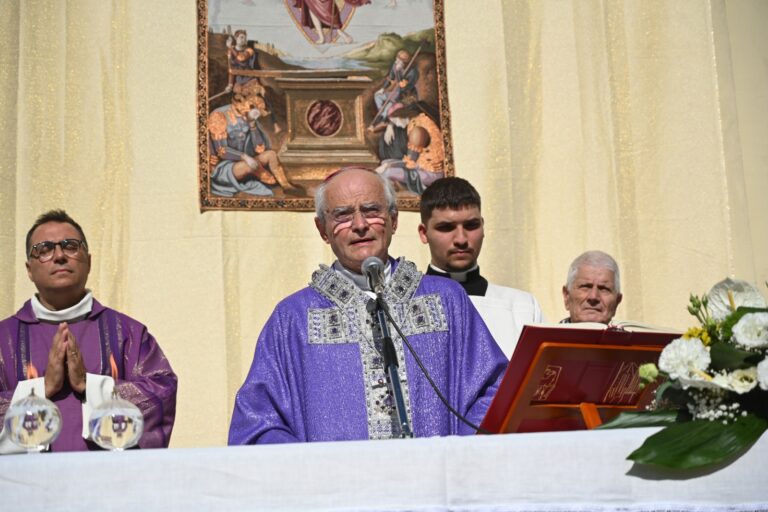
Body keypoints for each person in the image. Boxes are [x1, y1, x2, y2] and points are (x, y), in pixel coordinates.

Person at [229, 167, 507, 444]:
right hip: (339, 485)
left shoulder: (446, 300)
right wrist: (313, 473)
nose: (360, 224)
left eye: (371, 210)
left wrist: (457, 455)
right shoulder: (293, 318)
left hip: (434, 480)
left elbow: (496, 391)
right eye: (342, 215)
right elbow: (259, 423)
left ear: (394, 220)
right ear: (322, 229)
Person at [0, 210, 177, 452]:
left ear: (89, 261)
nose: (59, 255)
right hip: (23, 484)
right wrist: (40, 390)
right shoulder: (4, 339)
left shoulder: (128, 333)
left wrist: (90, 385)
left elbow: (161, 395)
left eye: (70, 246)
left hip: (108, 482)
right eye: (44, 249)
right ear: (29, 269)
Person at [418, 177, 544, 357]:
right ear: (424, 233)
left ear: (483, 227)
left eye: (471, 225)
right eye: (446, 227)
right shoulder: (404, 308)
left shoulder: (523, 307)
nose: (461, 239)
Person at [208, 81, 303, 197]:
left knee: (271, 155)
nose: (255, 111)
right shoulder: (219, 115)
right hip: (225, 167)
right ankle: (259, 172)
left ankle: (286, 186)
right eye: (253, 106)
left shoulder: (248, 116)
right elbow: (222, 151)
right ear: (241, 101)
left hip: (249, 161)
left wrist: (252, 126)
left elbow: (260, 148)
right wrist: (244, 157)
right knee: (250, 165)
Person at [561, 250, 623, 324]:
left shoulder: (633, 336)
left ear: (617, 301)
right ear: (567, 296)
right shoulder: (546, 335)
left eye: (604, 289)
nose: (593, 297)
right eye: (585, 286)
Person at [374, 50, 419, 123]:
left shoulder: (413, 72)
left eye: (399, 60)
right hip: (394, 91)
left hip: (406, 96)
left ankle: (382, 118)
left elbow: (409, 87)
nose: (396, 61)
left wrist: (404, 86)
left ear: (405, 62)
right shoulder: (395, 66)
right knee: (377, 95)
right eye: (397, 58)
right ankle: (381, 113)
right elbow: (390, 77)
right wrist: (383, 88)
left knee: (389, 106)